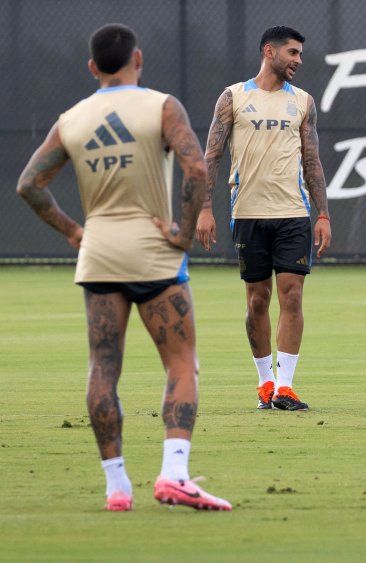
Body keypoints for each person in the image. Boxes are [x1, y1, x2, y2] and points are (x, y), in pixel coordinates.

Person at [16, 23, 230, 511]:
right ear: (138, 58)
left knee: (104, 368)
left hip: (100, 254)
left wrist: (74, 232)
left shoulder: (72, 118)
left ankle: (117, 488)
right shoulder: (160, 106)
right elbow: (197, 167)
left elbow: (29, 184)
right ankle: (174, 473)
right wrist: (181, 230)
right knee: (181, 362)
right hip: (154, 252)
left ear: (93, 67)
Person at [199, 26, 332, 411]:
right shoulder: (234, 98)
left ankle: (286, 387)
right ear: (268, 51)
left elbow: (312, 160)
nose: (298, 61)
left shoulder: (303, 101)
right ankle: (265, 382)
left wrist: (322, 214)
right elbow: (211, 155)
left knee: (292, 295)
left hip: (293, 213)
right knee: (258, 300)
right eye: (292, 52)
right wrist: (205, 208)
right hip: (248, 215)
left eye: (300, 55)